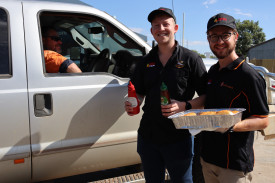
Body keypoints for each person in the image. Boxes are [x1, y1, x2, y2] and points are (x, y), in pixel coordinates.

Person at [125, 7, 207, 182]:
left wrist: (185, 105)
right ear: (151, 31)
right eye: (156, 25)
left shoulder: (191, 59)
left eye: (165, 24)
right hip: (148, 138)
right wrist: (133, 102)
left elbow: (207, 96)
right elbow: (139, 92)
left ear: (175, 28)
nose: (161, 28)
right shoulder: (145, 62)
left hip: (179, 138)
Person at [200, 13, 269, 183]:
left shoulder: (248, 76)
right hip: (208, 159)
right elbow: (208, 100)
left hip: (233, 165)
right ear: (208, 39)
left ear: (236, 37)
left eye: (225, 35)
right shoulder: (213, 71)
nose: (219, 41)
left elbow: (263, 120)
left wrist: (231, 125)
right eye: (214, 36)